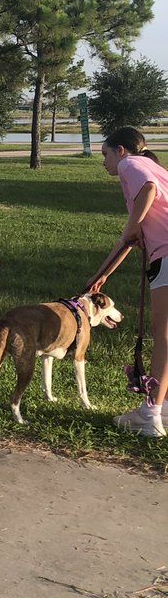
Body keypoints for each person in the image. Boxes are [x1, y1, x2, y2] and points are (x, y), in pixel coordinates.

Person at [88, 127, 168, 438]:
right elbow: (129, 238)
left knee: (162, 338)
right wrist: (104, 272)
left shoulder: (130, 165)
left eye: (105, 154)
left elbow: (147, 190)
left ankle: (149, 416)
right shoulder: (155, 167)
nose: (104, 162)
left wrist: (133, 226)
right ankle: (162, 407)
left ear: (121, 150)